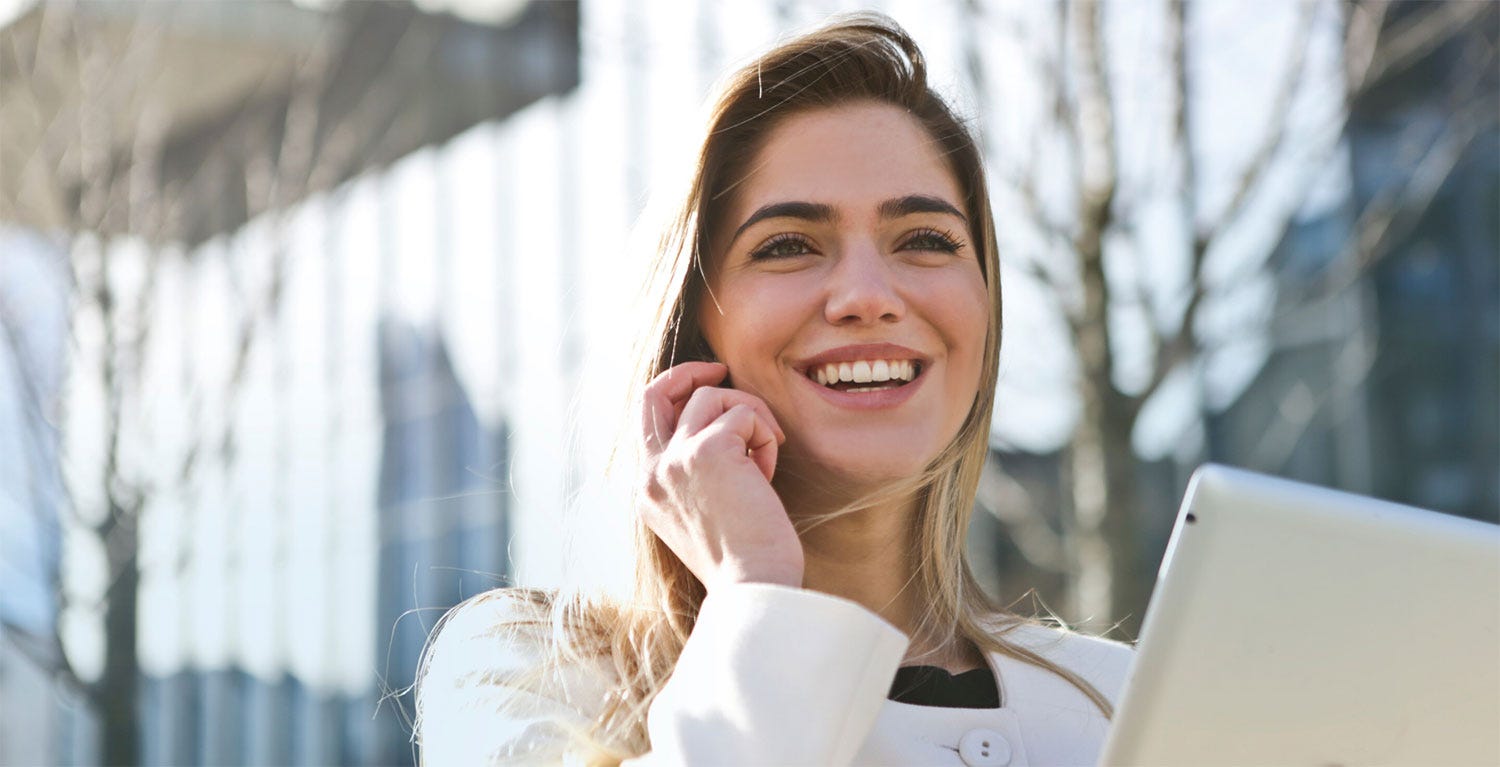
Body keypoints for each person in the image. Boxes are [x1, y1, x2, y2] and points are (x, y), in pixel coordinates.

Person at [416, 13, 1133, 766]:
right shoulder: (527, 677)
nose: (867, 294)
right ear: (695, 328)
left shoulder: (1122, 698)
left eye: (925, 239)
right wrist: (756, 594)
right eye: (788, 245)